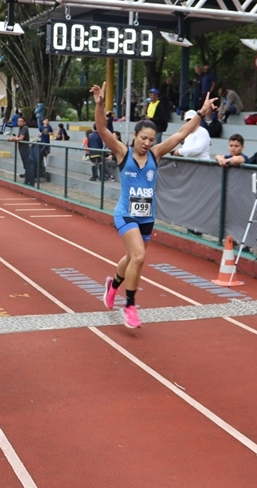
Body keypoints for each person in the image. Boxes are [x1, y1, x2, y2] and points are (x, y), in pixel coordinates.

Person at [91, 82, 217, 328]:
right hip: (125, 214)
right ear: (134, 136)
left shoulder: (156, 154)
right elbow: (102, 129)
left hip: (147, 217)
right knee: (138, 256)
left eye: (151, 139)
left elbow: (182, 134)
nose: (147, 143)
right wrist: (99, 103)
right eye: (143, 138)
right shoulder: (122, 153)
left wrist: (201, 113)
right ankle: (129, 306)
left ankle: (113, 284)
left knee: (131, 257)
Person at [6, 116, 35, 186]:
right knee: (26, 166)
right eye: (18, 121)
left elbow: (21, 138)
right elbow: (19, 138)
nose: (19, 122)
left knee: (28, 166)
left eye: (21, 121)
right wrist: (14, 138)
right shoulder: (21, 128)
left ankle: (31, 182)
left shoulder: (24, 128)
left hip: (25, 150)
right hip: (22, 149)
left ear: (24, 122)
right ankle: (27, 181)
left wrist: (11, 139)